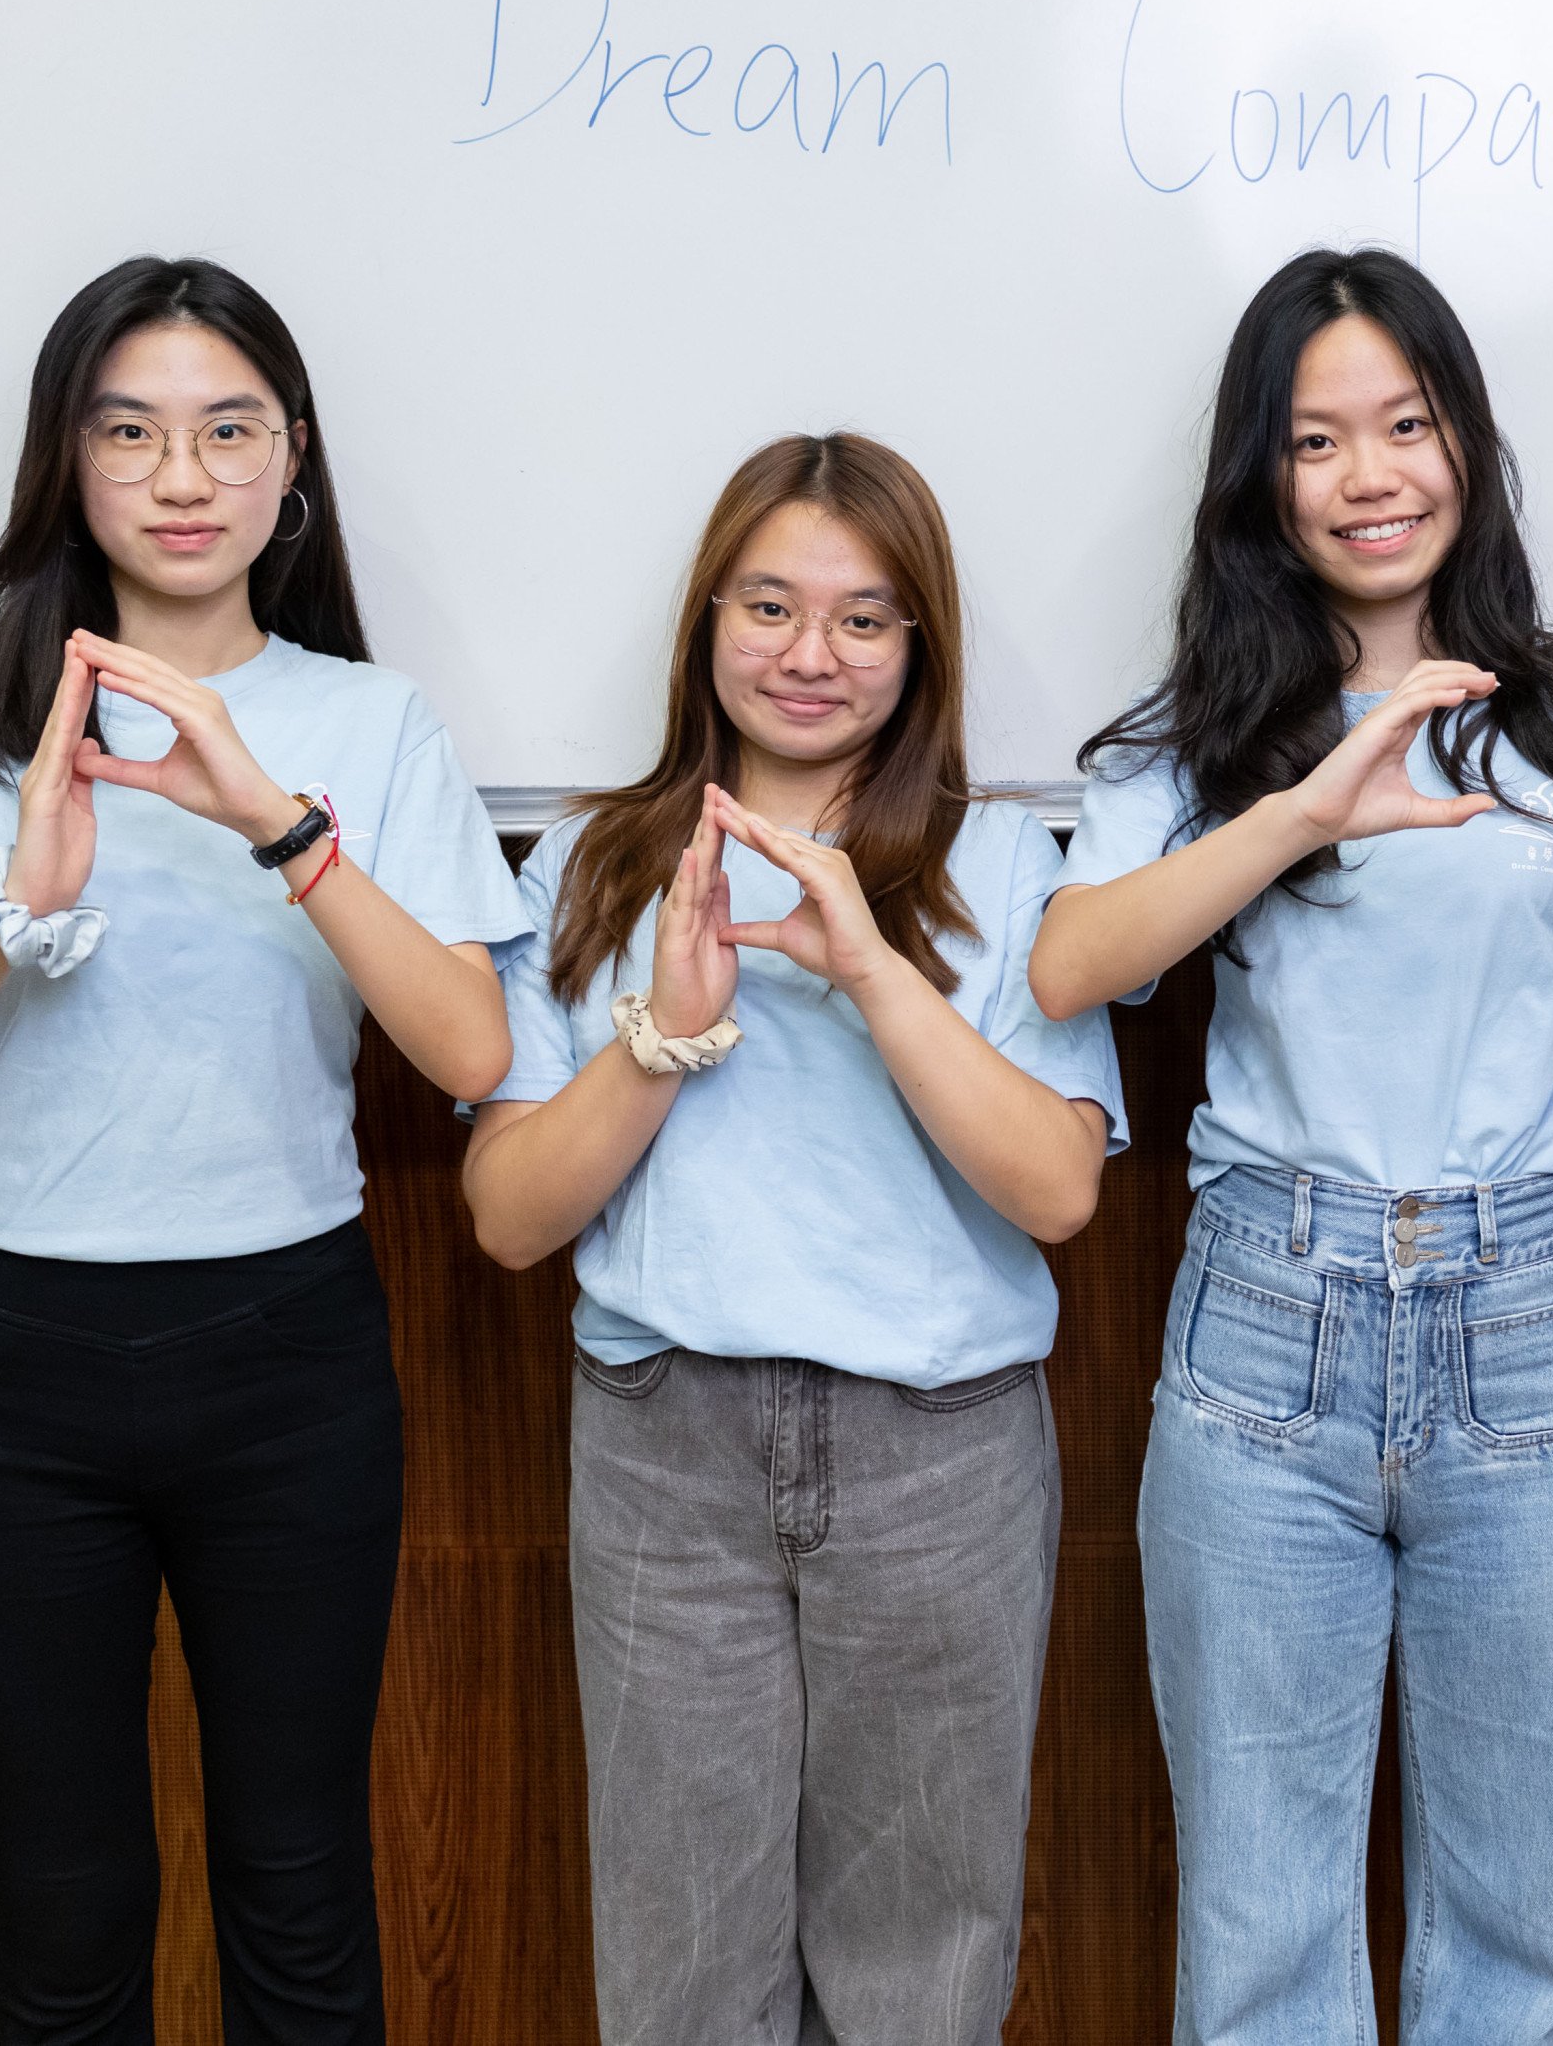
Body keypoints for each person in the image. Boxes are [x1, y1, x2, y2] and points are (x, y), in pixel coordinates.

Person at [0, 256, 526, 2046]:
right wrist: (6, 923)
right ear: (69, 459)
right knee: (64, 1914)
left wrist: (278, 822)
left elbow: (471, 1050)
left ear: (293, 462)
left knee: (300, 1896)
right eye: (129, 433)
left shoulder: (373, 725)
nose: (182, 478)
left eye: (227, 432)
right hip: (7, 1368)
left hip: (289, 1361)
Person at [1031, 247, 1553, 2046]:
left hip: (1536, 1320)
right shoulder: (1199, 736)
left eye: (1406, 426)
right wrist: (1300, 811)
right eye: (1316, 440)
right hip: (1270, 1321)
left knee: (1518, 1935)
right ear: (1262, 478)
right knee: (1259, 1935)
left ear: (1466, 441)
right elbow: (1077, 964)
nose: (1369, 476)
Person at [464, 432, 1123, 2046]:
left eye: (864, 619)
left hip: (941, 1454)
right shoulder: (595, 861)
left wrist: (874, 971)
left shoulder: (998, 861)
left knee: (922, 1965)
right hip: (665, 1448)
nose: (810, 654)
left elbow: (1057, 1191)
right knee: (683, 1963)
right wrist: (664, 1033)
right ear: (707, 620)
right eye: (768, 607)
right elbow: (510, 1215)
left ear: (920, 646)